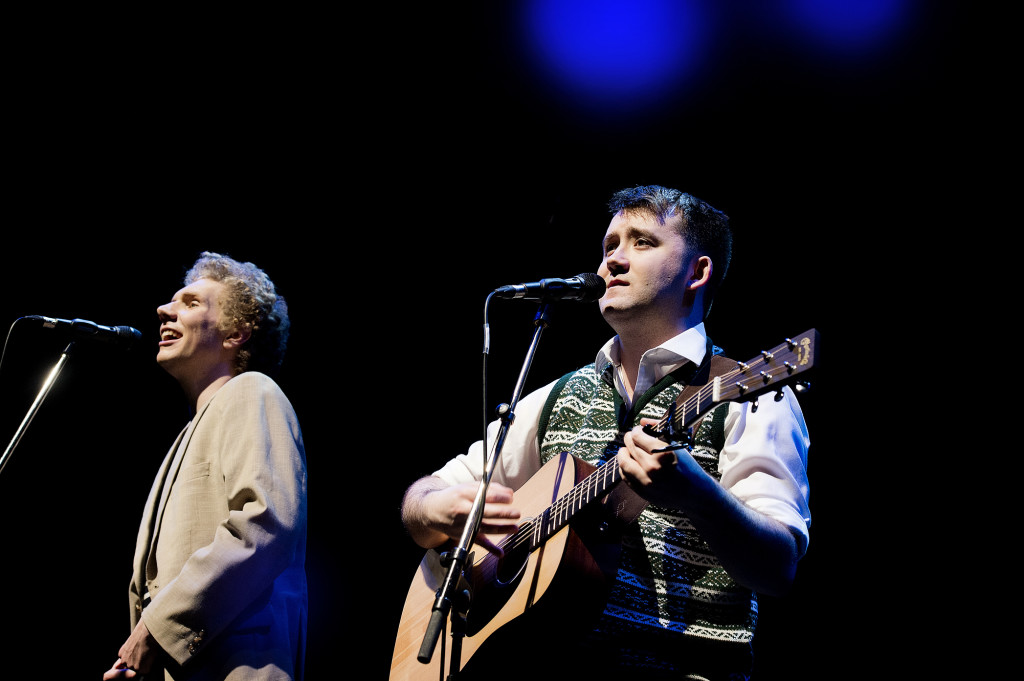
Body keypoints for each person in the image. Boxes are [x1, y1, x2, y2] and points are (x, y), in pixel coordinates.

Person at [399, 186, 811, 680]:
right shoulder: (557, 396)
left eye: (641, 242)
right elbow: (424, 497)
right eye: (609, 244)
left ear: (697, 273)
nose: (613, 259)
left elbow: (777, 568)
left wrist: (698, 494)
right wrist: (434, 507)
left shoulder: (752, 394)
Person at [104, 252, 308, 680]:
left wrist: (157, 633)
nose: (164, 309)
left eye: (191, 302)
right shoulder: (193, 430)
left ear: (237, 333)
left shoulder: (253, 391)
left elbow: (265, 526)